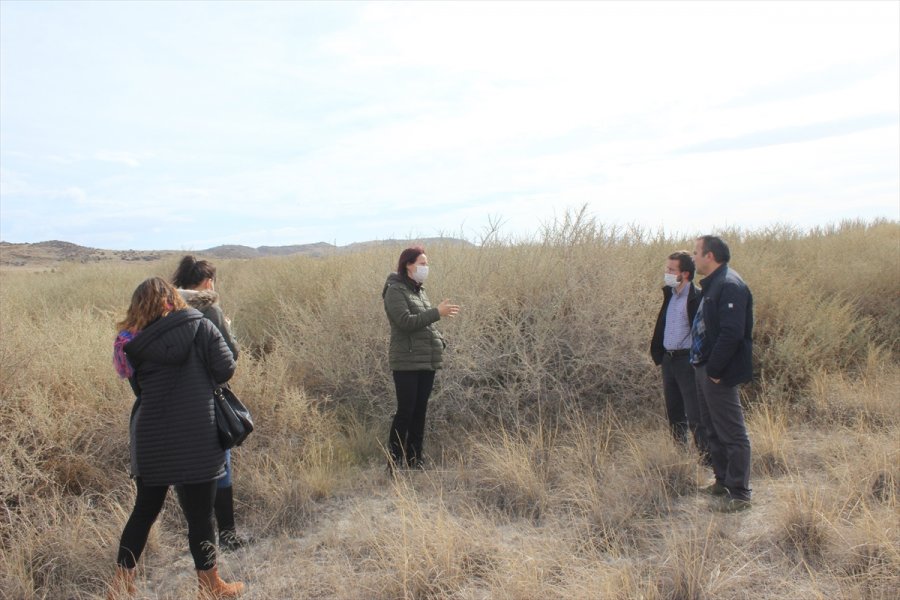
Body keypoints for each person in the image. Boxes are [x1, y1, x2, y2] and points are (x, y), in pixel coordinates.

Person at [107, 277, 244, 599]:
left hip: (151, 436)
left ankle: (120, 586)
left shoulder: (131, 342)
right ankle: (210, 586)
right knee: (200, 516)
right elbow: (225, 369)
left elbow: (139, 389)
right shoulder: (200, 326)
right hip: (197, 433)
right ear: (175, 300)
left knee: (143, 512)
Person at [172, 255, 248, 552]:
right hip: (207, 396)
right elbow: (229, 355)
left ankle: (198, 535)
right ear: (207, 281)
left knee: (184, 470)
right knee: (221, 466)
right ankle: (227, 534)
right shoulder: (209, 307)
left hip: (173, 401)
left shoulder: (164, 306)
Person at [690, 236, 754, 512]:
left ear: (710, 256)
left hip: (719, 372)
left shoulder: (729, 285)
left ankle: (739, 493)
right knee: (712, 428)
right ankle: (722, 481)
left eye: (696, 252)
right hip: (704, 367)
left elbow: (732, 334)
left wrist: (715, 370)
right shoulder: (713, 285)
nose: (693, 258)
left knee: (732, 432)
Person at [382, 246, 459, 472]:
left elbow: (425, 324)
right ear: (408, 264)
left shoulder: (418, 290)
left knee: (420, 410)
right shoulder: (394, 290)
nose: (426, 268)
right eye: (422, 264)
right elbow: (405, 322)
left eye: (426, 264)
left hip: (426, 360)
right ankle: (394, 462)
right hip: (406, 361)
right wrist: (437, 312)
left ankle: (415, 459)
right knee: (405, 411)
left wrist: (439, 340)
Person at [650, 251, 708, 457]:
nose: (666, 273)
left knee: (695, 414)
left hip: (688, 361)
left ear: (685, 274)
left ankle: (707, 460)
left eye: (671, 270)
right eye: (667, 268)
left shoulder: (698, 297)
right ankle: (680, 457)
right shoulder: (670, 296)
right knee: (674, 413)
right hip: (669, 360)